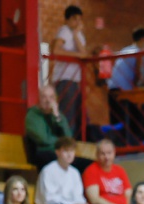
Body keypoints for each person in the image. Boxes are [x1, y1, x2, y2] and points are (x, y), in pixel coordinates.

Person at [36, 137, 111, 204]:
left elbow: (78, 197)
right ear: (57, 152)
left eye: (72, 151)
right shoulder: (48, 170)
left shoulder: (74, 172)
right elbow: (49, 200)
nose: (69, 155)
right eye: (66, 151)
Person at [82, 140, 132, 204]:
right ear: (97, 155)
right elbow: (94, 199)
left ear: (114, 153)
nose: (106, 157)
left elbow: (129, 194)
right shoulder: (91, 170)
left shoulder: (120, 170)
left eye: (109, 153)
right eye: (103, 154)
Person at [50, 5, 86, 136]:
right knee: (67, 113)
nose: (77, 22)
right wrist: (77, 55)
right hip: (64, 78)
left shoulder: (78, 34)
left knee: (76, 114)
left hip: (75, 79)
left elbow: (84, 54)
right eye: (74, 19)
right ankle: (66, 140)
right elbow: (56, 50)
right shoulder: (64, 31)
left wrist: (76, 35)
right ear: (67, 20)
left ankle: (73, 140)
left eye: (79, 19)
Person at [24, 85, 80, 169]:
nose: (48, 101)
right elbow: (43, 139)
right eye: (44, 97)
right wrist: (61, 141)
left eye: (51, 97)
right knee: (64, 161)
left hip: (61, 153)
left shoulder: (57, 114)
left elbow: (69, 139)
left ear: (55, 100)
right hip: (42, 153)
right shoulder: (32, 115)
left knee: (86, 164)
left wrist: (57, 117)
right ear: (39, 99)